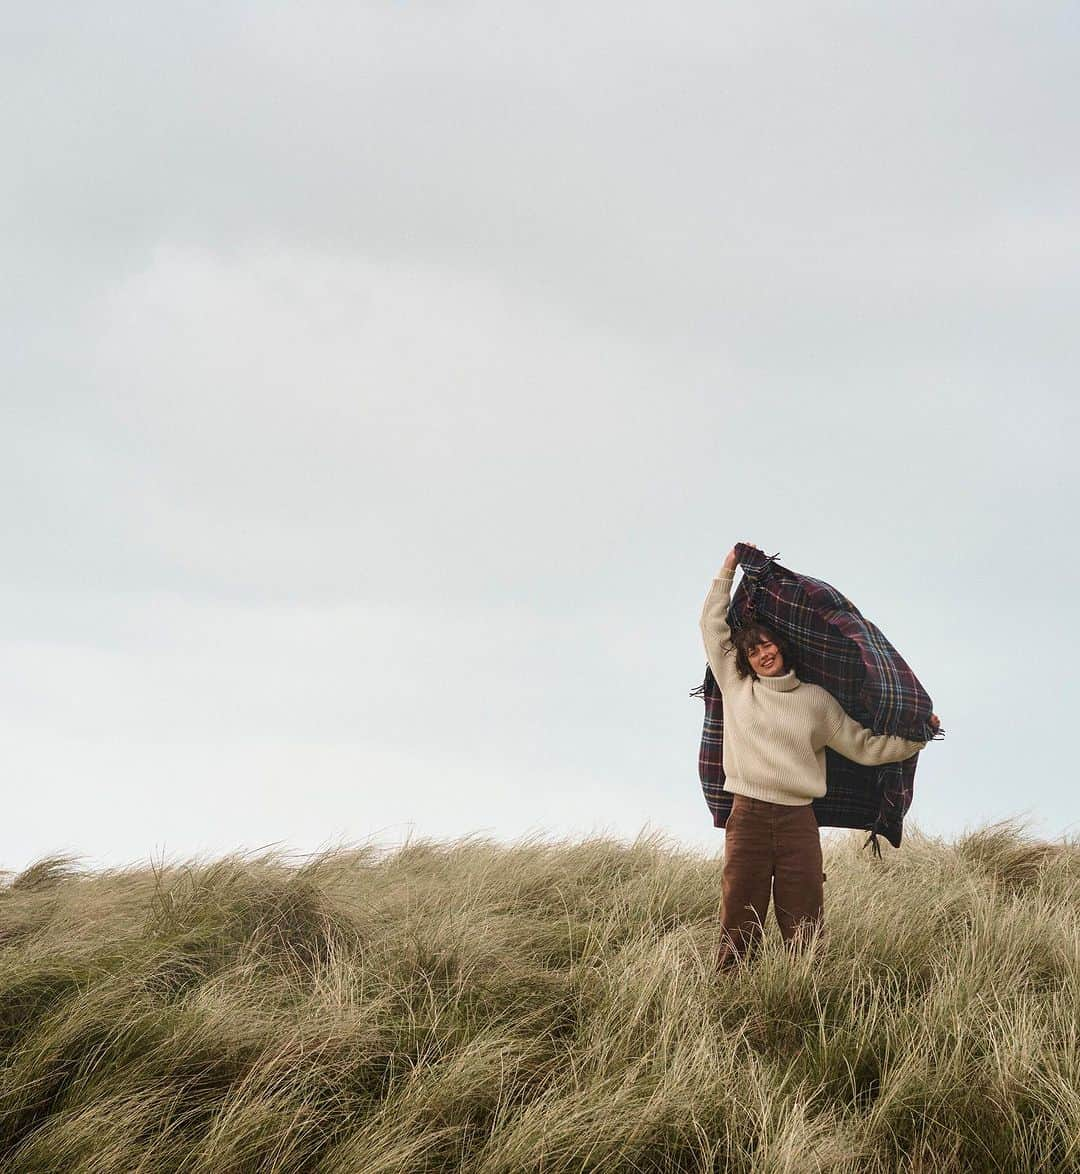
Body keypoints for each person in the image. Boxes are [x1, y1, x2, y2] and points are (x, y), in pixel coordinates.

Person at [701, 542, 940, 971]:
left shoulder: (816, 701)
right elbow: (711, 626)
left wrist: (918, 737)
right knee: (740, 912)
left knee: (805, 916)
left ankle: (806, 988)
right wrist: (728, 569)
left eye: (768, 645)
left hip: (797, 819)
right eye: (754, 651)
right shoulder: (738, 688)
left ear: (782, 647)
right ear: (747, 660)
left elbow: (864, 746)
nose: (763, 654)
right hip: (749, 815)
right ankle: (729, 989)